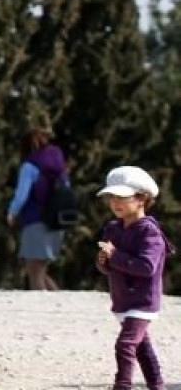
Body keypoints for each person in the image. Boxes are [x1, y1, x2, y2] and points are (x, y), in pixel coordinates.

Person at [95, 165, 169, 390]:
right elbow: (109, 269)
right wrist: (104, 262)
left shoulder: (150, 232)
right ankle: (157, 385)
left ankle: (123, 385)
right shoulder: (113, 228)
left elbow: (147, 267)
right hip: (122, 300)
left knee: (126, 344)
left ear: (142, 199)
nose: (115, 202)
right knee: (141, 347)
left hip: (142, 302)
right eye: (112, 197)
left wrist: (115, 255)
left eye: (122, 197)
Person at [7, 129, 68, 291]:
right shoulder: (59, 168)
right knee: (41, 269)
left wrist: (12, 212)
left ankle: (41, 309)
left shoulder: (29, 166)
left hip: (35, 221)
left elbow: (22, 195)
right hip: (57, 223)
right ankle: (58, 303)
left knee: (34, 270)